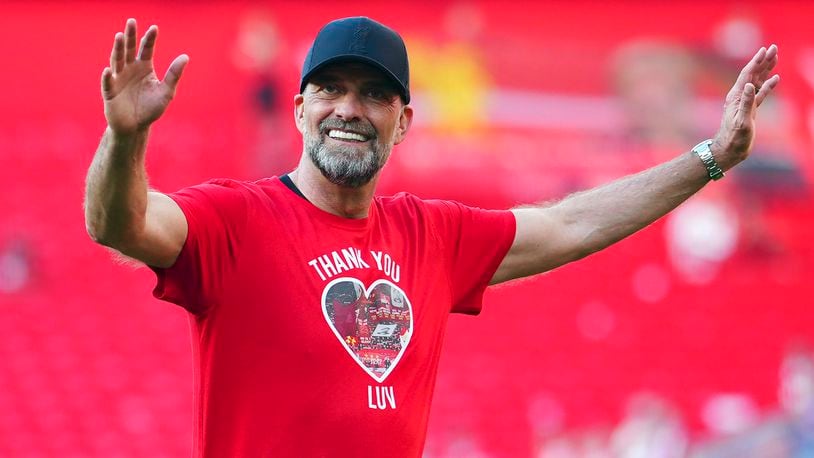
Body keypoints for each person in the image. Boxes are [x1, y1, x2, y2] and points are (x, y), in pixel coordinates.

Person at [83, 16, 780, 458]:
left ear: (404, 120)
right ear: (299, 108)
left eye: (375, 94)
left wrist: (711, 156)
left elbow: (570, 223)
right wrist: (124, 137)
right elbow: (121, 223)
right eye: (331, 90)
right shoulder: (233, 221)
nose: (350, 110)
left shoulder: (431, 235)